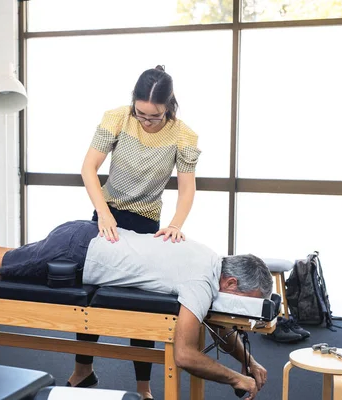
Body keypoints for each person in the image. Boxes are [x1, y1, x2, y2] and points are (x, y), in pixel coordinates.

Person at [0, 220, 272, 400]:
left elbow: (219, 328)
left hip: (86, 239)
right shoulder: (202, 280)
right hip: (77, 252)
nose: (242, 308)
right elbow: (186, 354)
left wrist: (247, 362)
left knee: (6, 258)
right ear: (231, 285)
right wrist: (236, 379)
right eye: (246, 300)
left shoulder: (209, 259)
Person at [77, 65, 201, 397]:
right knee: (91, 296)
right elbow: (89, 168)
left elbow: (187, 189)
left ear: (169, 105)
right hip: (107, 216)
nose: (146, 120)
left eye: (155, 116)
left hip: (147, 224)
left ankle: (144, 389)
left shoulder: (184, 136)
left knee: (141, 305)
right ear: (133, 102)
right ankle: (83, 371)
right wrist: (103, 214)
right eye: (141, 113)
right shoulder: (117, 117)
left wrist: (176, 225)